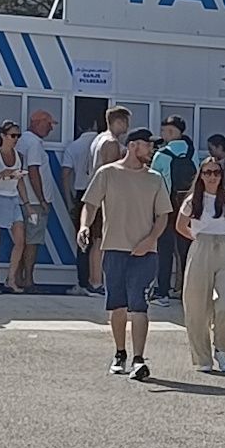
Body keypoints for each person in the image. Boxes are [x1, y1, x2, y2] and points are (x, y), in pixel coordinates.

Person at [78, 128, 172, 382]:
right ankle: (120, 353)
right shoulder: (107, 173)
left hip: (145, 252)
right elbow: (91, 204)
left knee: (139, 305)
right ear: (133, 146)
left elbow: (163, 215)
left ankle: (139, 359)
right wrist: (84, 226)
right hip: (114, 249)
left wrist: (151, 239)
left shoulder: (155, 179)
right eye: (148, 146)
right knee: (117, 305)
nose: (151, 150)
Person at [176, 156, 225, 373]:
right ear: (201, 175)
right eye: (207, 172)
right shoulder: (192, 200)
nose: (212, 177)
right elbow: (180, 225)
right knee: (196, 305)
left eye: (216, 172)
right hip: (201, 247)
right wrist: (198, 240)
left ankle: (222, 347)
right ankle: (202, 358)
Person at [146, 116, 195, 302]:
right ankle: (186, 291)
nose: (163, 133)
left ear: (172, 132)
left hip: (166, 206)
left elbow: (153, 182)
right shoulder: (191, 152)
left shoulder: (161, 155)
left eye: (165, 130)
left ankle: (163, 292)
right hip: (187, 206)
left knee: (164, 250)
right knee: (186, 250)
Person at [86, 107, 132, 294]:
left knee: (97, 239)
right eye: (126, 122)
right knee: (100, 240)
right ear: (119, 122)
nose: (128, 127)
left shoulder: (98, 139)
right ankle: (97, 282)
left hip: (95, 194)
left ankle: (94, 280)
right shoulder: (111, 143)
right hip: (105, 197)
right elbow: (112, 173)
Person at [0, 121, 29, 294]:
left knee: (20, 241)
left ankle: (10, 279)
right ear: (3, 136)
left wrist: (27, 204)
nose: (16, 139)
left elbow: (20, 183)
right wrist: (3, 174)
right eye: (12, 135)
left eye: (18, 136)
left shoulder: (20, 156)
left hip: (13, 200)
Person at [12, 109, 53, 291]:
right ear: (37, 122)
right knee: (32, 241)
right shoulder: (34, 143)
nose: (51, 128)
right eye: (48, 123)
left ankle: (19, 278)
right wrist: (42, 199)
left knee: (23, 241)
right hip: (34, 203)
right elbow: (33, 171)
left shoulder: (22, 141)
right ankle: (28, 279)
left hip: (23, 199)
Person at [60, 123, 100, 296]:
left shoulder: (73, 146)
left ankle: (83, 282)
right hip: (101, 194)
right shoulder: (105, 142)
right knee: (99, 239)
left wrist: (69, 200)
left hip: (82, 194)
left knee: (83, 240)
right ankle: (97, 281)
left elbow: (65, 174)